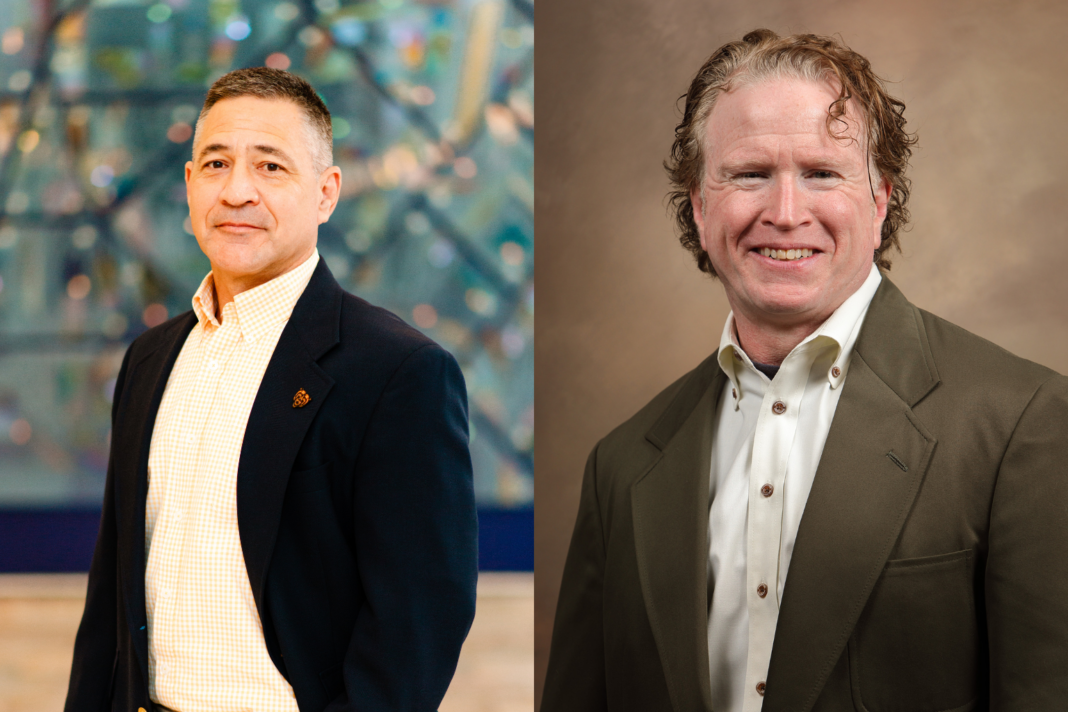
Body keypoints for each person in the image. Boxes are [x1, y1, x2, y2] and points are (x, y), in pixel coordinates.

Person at [541, 29, 1068, 712]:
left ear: (879, 202)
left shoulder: (1022, 427)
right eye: (750, 173)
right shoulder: (620, 467)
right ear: (700, 207)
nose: (786, 214)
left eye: (822, 173)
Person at [64, 67, 477, 712]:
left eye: (271, 168)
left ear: (326, 193)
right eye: (216, 163)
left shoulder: (398, 373)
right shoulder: (150, 359)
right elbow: (108, 605)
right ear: (189, 184)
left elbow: (418, 626)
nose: (237, 192)